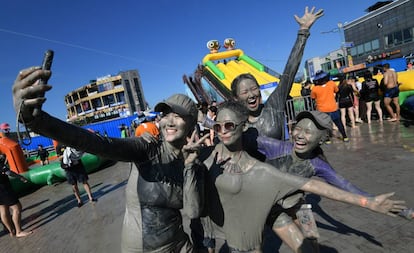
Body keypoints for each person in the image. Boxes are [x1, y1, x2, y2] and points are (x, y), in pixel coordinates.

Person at [12, 63, 206, 252]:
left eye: (178, 115)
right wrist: (36, 122)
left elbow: (194, 213)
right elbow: (98, 143)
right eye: (165, 113)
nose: (169, 120)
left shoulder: (193, 161)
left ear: (191, 125)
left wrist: (190, 166)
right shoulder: (148, 148)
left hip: (180, 243)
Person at [201, 101, 406, 252]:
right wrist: (211, 123)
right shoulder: (276, 147)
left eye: (309, 132)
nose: (300, 135)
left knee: (311, 244)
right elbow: (237, 131)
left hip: (296, 207)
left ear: (322, 138)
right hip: (267, 206)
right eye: (298, 129)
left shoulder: (319, 165)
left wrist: (375, 203)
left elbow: (343, 187)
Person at [230, 6, 324, 141]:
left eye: (254, 89)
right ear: (236, 98)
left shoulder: (274, 106)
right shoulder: (234, 122)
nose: (251, 95)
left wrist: (303, 32)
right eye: (245, 92)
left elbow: (289, 73)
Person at [310, 70, 349, 142]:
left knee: (324, 125)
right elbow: (336, 91)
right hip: (333, 108)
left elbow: (312, 98)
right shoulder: (331, 83)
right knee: (339, 123)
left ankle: (327, 139)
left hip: (322, 110)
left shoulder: (314, 89)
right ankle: (345, 136)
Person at [0, 154, 33, 237]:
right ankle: (18, 231)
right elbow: (8, 172)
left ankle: (11, 230)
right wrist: (20, 177)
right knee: (17, 208)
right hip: (3, 188)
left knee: (3, 209)